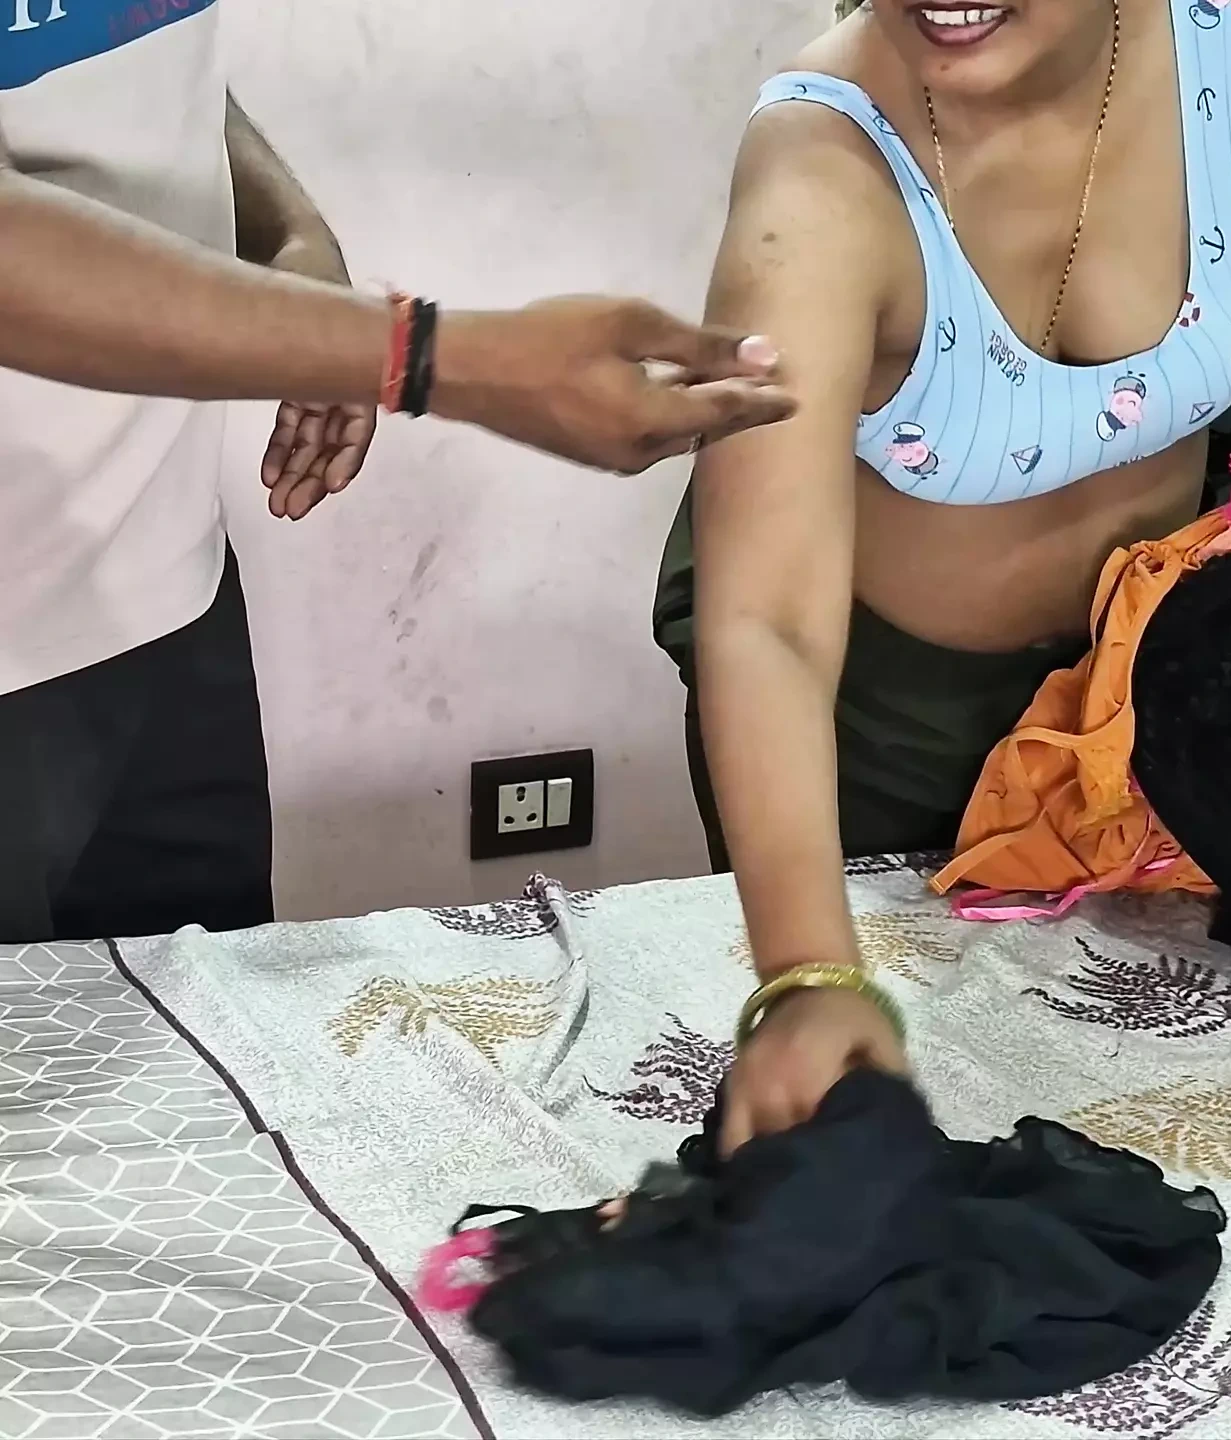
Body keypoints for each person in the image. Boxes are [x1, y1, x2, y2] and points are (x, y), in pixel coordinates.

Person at [665, 0, 1231, 1151]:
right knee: (905, 1134)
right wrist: (808, 978)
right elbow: (770, 625)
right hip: (883, 745)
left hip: (1165, 716)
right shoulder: (822, 177)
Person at [0, 0, 797, 946]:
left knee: (196, 1019)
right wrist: (425, 358)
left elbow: (122, 52)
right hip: (18, 636)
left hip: (170, 590)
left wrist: (293, 240)